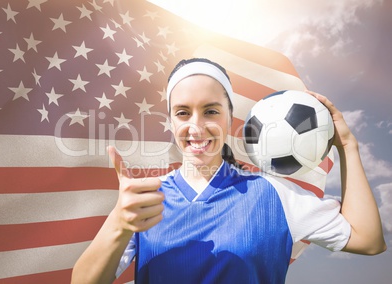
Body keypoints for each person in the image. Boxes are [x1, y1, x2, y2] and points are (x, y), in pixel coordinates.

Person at [71, 58, 386, 283]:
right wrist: (118, 225)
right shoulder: (144, 201)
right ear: (170, 121)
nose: (196, 126)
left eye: (210, 111)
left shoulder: (275, 195)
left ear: (228, 118)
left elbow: (368, 240)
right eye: (182, 112)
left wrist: (347, 147)